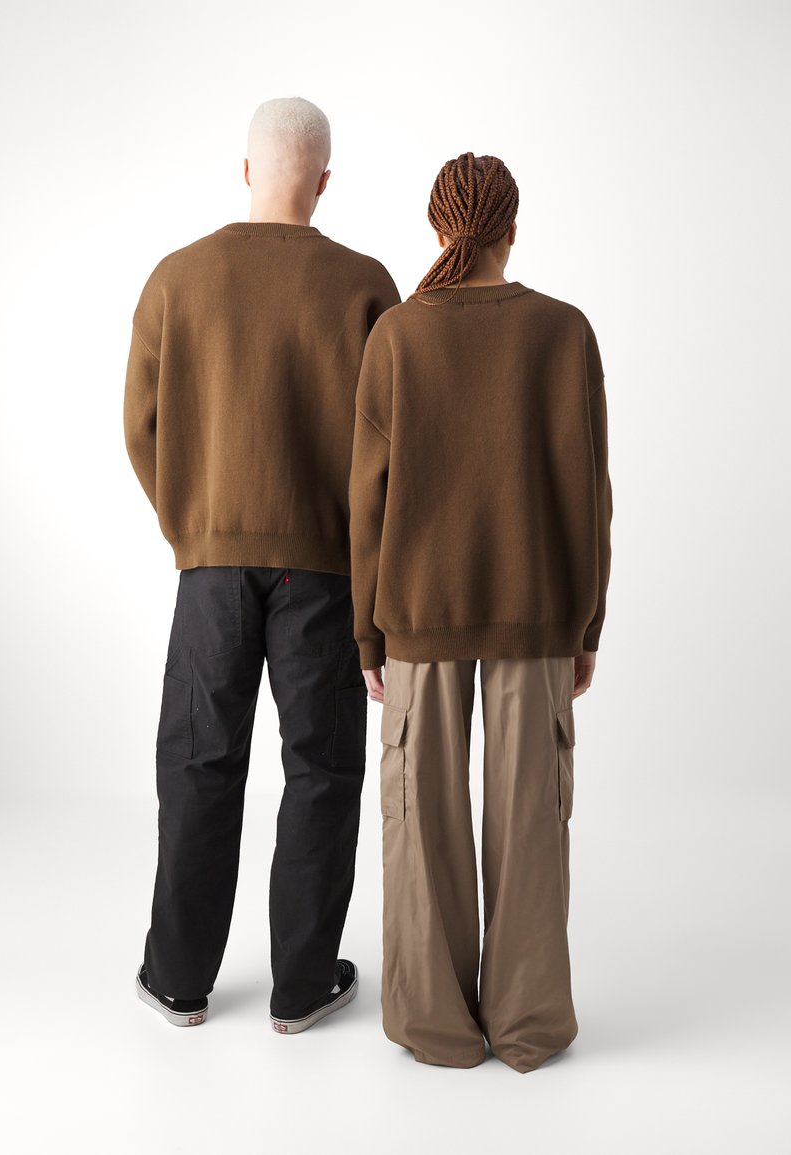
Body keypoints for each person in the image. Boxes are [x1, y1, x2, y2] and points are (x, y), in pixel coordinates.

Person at [124, 97, 400, 1033]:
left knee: (198, 762)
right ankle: (302, 985)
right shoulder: (365, 286)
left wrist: (195, 525)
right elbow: (390, 447)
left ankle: (178, 979)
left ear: (246, 169)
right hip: (322, 571)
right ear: (324, 181)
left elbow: (140, 425)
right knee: (322, 767)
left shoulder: (178, 278)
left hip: (211, 568)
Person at [348, 152, 613, 1072]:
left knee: (420, 824)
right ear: (512, 229)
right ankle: (529, 1025)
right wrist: (585, 625)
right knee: (532, 819)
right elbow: (590, 494)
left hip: (418, 614)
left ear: (438, 229)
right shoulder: (564, 332)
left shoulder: (398, 335)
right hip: (536, 613)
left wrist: (366, 631)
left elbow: (367, 500)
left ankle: (434, 1025)